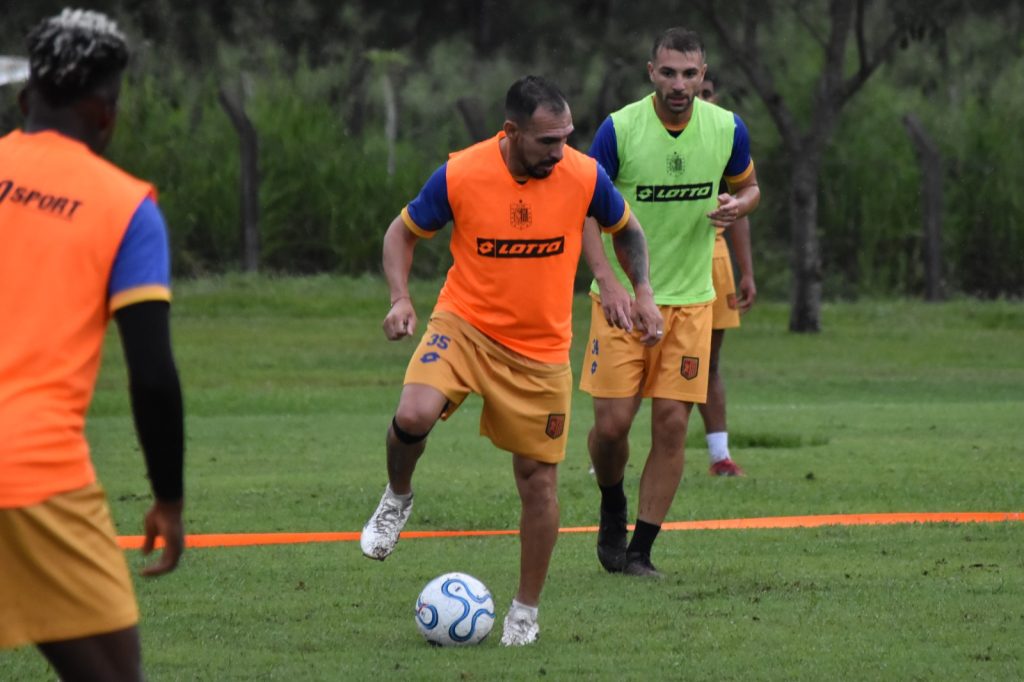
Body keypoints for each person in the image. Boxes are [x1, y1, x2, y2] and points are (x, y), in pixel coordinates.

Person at [359, 75, 662, 646]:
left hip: (541, 352)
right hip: (463, 324)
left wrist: (640, 289)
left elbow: (629, 231)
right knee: (413, 415)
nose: (560, 151)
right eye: (548, 141)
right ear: (512, 131)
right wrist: (401, 297)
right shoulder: (462, 173)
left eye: (567, 137)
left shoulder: (582, 173)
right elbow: (401, 233)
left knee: (538, 484)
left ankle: (524, 613)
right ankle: (398, 497)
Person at [0, 9, 185, 680]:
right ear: (107, 115)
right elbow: (154, 375)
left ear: (25, 99)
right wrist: (169, 498)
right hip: (34, 473)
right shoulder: (125, 205)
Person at [580, 27, 760, 577]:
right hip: (624, 304)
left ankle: (640, 551)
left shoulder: (728, 128)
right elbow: (584, 209)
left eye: (690, 74)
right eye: (668, 72)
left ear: (704, 76)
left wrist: (739, 205)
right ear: (650, 72)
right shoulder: (619, 129)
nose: (679, 84)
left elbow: (752, 188)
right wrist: (610, 282)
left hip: (692, 304)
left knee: (672, 426)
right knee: (611, 428)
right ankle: (613, 504)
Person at [696, 70, 757, 477]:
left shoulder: (724, 138)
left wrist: (746, 271)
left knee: (708, 362)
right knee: (640, 363)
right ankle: (611, 451)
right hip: (660, 260)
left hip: (713, 259)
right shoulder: (650, 135)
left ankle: (720, 455)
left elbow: (739, 206)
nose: (698, 98)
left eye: (706, 92)